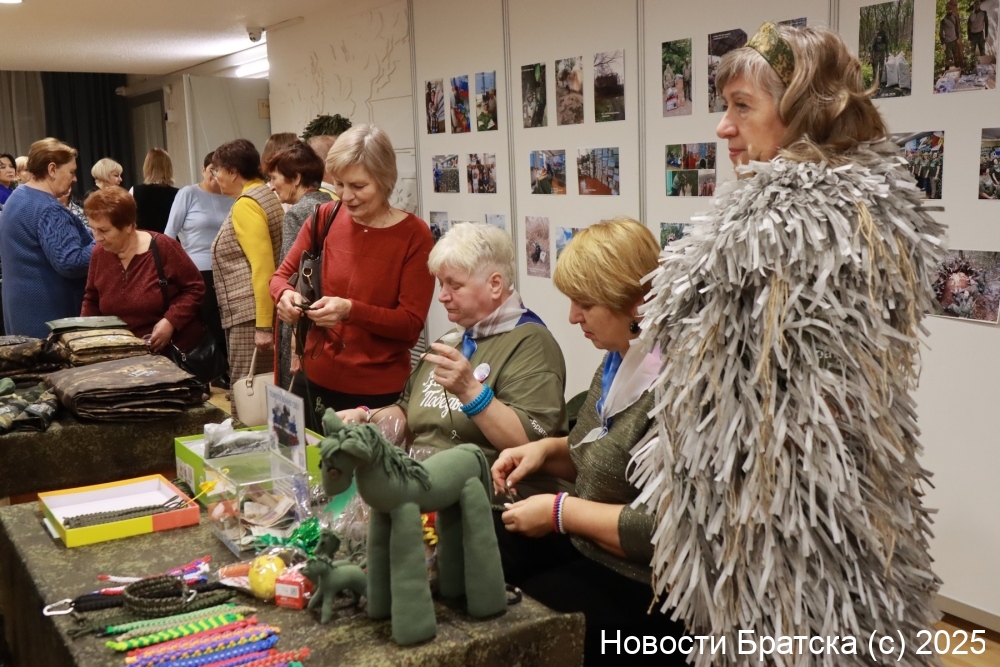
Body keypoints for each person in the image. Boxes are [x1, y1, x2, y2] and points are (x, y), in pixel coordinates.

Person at [632, 22, 943, 663]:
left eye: (742, 106)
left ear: (804, 110)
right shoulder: (849, 209)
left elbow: (804, 392)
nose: (724, 127)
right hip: (784, 504)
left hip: (784, 516)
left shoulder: (788, 226)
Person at [492, 218, 687, 665]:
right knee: (480, 552)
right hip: (589, 548)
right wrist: (545, 452)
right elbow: (599, 456)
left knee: (516, 628)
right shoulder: (618, 359)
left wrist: (559, 513)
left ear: (636, 302)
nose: (572, 317)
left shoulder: (679, 386)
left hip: (648, 585)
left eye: (585, 303)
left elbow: (661, 532)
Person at [337, 222, 568, 494]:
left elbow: (529, 445)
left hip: (485, 499)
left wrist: (470, 391)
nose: (442, 297)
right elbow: (407, 413)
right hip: (422, 485)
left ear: (495, 284)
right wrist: (367, 418)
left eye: (454, 285)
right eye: (440, 284)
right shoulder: (453, 338)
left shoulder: (531, 343)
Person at [271, 124, 434, 428]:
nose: (346, 196)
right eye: (339, 184)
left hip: (375, 396)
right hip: (312, 379)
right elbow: (280, 277)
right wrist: (285, 296)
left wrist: (350, 311)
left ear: (385, 180)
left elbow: (410, 325)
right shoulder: (325, 217)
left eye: (358, 186)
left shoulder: (414, 235)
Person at [81, 187, 205, 354]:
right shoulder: (99, 253)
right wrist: (84, 335)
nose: (97, 237)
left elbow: (195, 288)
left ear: (128, 226)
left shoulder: (163, 247)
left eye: (104, 230)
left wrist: (171, 321)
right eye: (93, 229)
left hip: (168, 352)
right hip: (120, 352)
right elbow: (92, 299)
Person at [211, 139, 284, 420]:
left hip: (250, 316)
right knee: (263, 399)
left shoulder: (247, 204)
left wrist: (264, 326)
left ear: (232, 172)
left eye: (217, 170)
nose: (215, 177)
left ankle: (248, 447)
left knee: (248, 399)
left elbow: (263, 267)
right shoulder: (265, 194)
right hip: (256, 313)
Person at [0, 138, 94, 338]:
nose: (74, 179)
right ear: (52, 169)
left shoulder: (17, 196)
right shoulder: (48, 209)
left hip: (20, 313)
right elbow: (71, 262)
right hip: (49, 319)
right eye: (71, 172)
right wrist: (103, 241)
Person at [262, 140, 332, 390]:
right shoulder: (330, 204)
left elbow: (293, 278)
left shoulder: (298, 213)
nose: (271, 186)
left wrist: (294, 341)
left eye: (274, 178)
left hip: (300, 323)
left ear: (296, 178)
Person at [164, 152, 235, 384]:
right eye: (211, 169)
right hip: (197, 268)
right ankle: (212, 371)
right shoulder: (189, 193)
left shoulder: (233, 197)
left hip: (228, 269)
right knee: (208, 322)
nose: (215, 175)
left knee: (227, 322)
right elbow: (169, 234)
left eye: (220, 170)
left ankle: (226, 370)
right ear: (203, 170)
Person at [132, 148, 179, 234]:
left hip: (143, 240)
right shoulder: (178, 194)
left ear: (147, 167)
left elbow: (126, 221)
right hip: (168, 240)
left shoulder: (134, 191)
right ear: (168, 168)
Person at [940, 0, 963, 70]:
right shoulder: (943, 20)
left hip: (954, 40)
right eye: (948, 8)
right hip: (947, 42)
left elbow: (956, 28)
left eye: (950, 8)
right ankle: (946, 71)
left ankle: (958, 70)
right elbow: (941, 32)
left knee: (956, 57)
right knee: (948, 58)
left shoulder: (954, 17)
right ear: (946, 9)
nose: (949, 9)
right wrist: (943, 43)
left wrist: (958, 38)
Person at [871, 21, 889, 89]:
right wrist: (871, 57)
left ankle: (879, 83)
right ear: (879, 25)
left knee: (881, 68)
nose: (882, 26)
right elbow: (873, 45)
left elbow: (887, 45)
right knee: (875, 68)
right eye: (881, 25)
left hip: (882, 53)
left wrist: (887, 55)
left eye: (883, 25)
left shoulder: (885, 34)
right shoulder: (876, 33)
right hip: (876, 52)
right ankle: (874, 83)